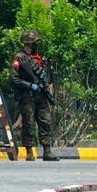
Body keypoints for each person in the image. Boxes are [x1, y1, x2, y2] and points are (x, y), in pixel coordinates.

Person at [10, 29, 59, 161]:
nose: (37, 45)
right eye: (34, 43)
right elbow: (14, 79)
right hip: (28, 96)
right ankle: (29, 152)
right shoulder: (19, 58)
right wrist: (30, 85)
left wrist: (48, 88)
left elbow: (49, 77)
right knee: (29, 123)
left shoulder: (41, 58)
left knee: (45, 122)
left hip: (41, 95)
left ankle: (47, 151)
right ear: (28, 44)